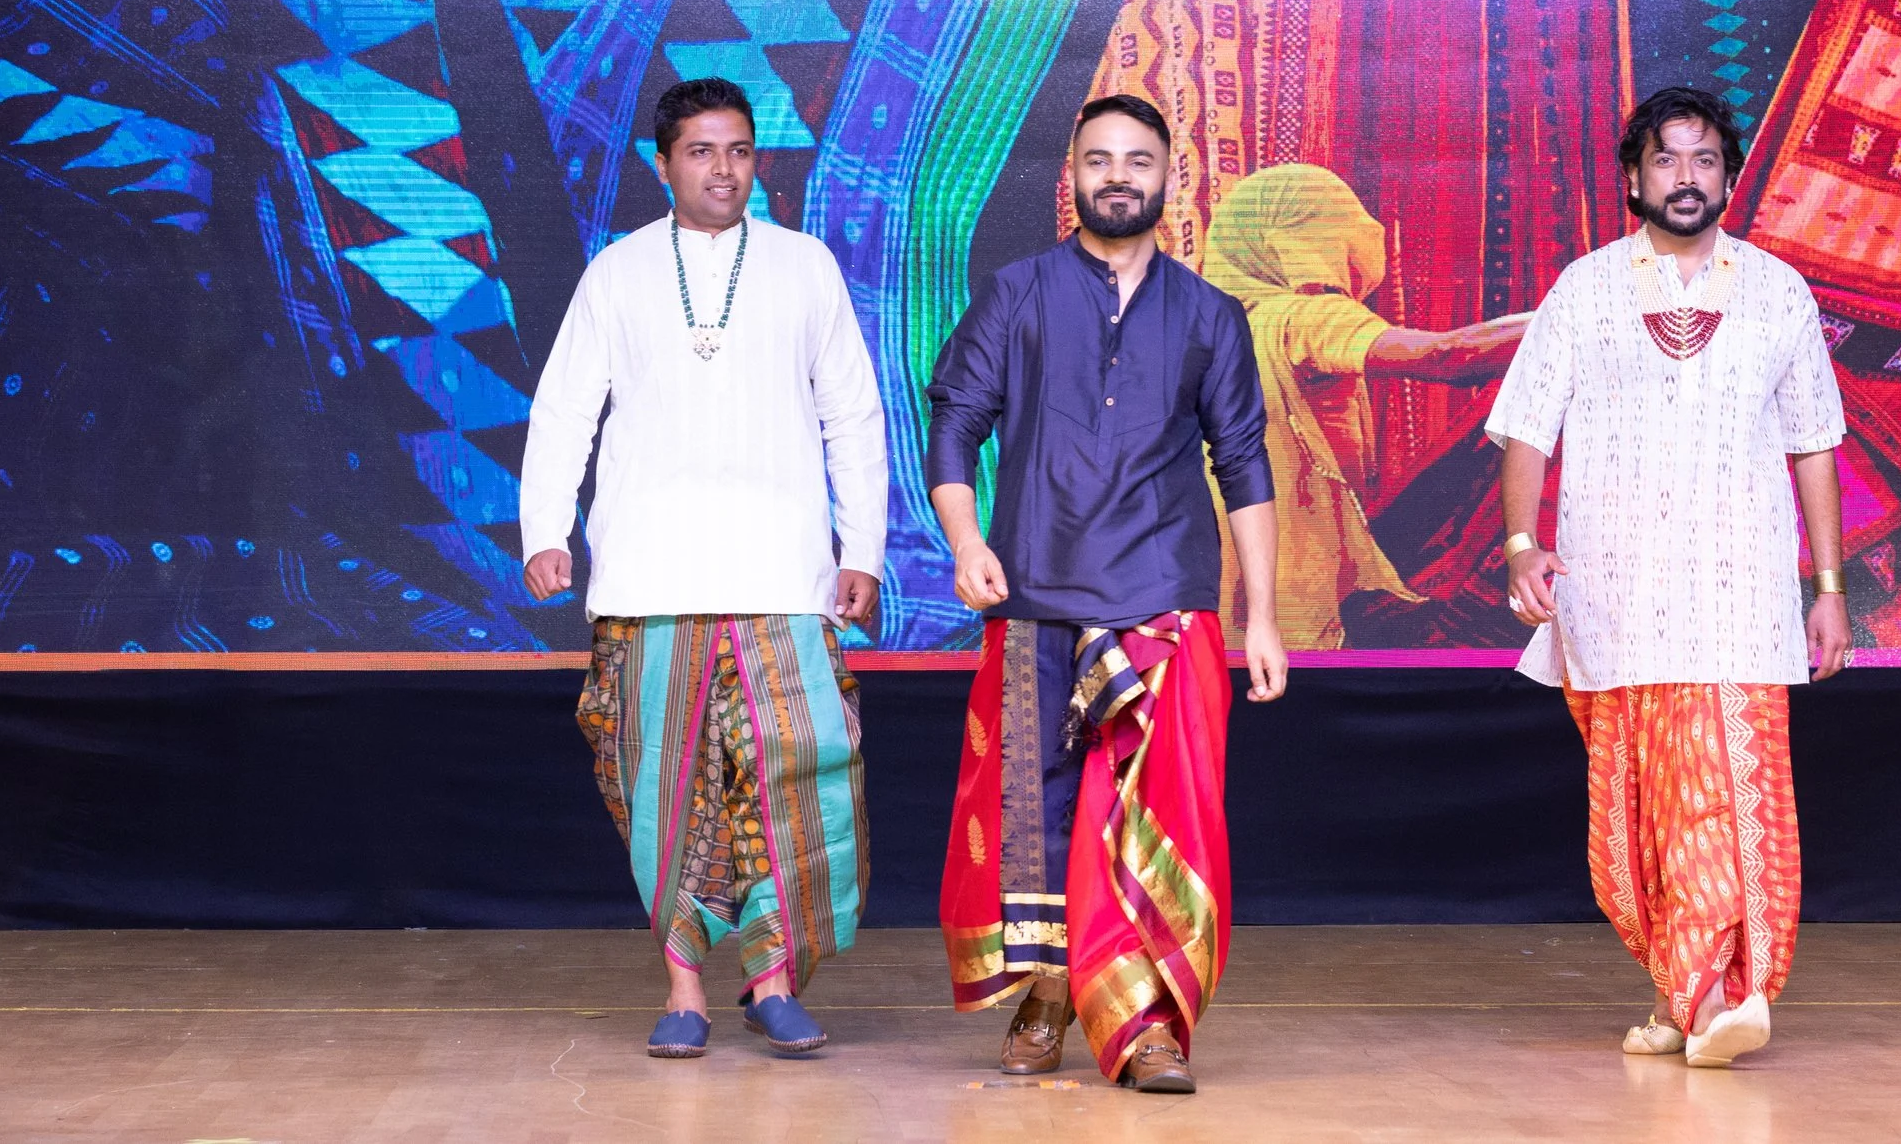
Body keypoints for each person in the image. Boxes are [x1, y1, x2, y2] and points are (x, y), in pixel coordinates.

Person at [518, 76, 886, 1061]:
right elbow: (564, 411)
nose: (723, 170)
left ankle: (772, 980)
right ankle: (683, 989)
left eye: (738, 150)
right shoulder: (617, 272)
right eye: (701, 152)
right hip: (650, 577)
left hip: (783, 575)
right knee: (664, 789)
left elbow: (851, 414)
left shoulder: (804, 266)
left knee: (793, 778)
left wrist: (864, 551)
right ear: (662, 162)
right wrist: (544, 530)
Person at [926, 94, 1285, 1094]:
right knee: (1037, 816)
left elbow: (1244, 464)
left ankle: (1150, 1025)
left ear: (1172, 179)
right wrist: (964, 542)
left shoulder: (1210, 314)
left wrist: (1260, 613)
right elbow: (956, 424)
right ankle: (1046, 997)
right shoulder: (1017, 293)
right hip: (1037, 589)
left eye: (1138, 158)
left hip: (1165, 600)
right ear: (1070, 178)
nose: (1117, 174)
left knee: (1157, 817)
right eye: (1098, 158)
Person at [1485, 85, 1849, 1069]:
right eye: (1664, 160)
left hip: (1736, 597)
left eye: (1702, 160)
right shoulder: (1584, 288)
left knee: (1718, 792)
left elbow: (1815, 445)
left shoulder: (1777, 291)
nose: (1684, 177)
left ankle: (1728, 993)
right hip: (1610, 597)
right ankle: (1678, 987)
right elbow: (1528, 424)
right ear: (1631, 178)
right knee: (1634, 810)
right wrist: (1523, 544)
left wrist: (1828, 587)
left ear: (1728, 177)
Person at [1201, 164, 1527, 647]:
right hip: (1301, 573)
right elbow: (1450, 357)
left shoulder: (1214, 335)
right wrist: (1577, 319)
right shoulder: (1299, 318)